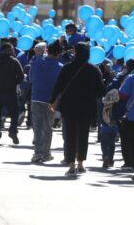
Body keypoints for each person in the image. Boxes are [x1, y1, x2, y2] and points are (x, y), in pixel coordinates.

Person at [50, 42, 105, 176]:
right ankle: (80, 163)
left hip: (69, 107)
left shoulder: (67, 67)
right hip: (86, 107)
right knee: (83, 135)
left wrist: (52, 101)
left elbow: (58, 85)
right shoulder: (93, 69)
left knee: (70, 135)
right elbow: (101, 91)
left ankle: (71, 165)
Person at [29, 41, 63, 163]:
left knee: (37, 127)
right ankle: (46, 153)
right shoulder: (60, 67)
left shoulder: (36, 62)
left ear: (47, 50)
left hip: (36, 97)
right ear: (59, 54)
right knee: (48, 127)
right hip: (51, 101)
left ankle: (37, 153)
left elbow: (30, 78)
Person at [0, 43, 24, 144]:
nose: (13, 51)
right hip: (10, 92)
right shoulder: (14, 61)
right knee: (14, 114)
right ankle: (12, 131)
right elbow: (21, 76)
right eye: (11, 49)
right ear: (7, 50)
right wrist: (13, 82)